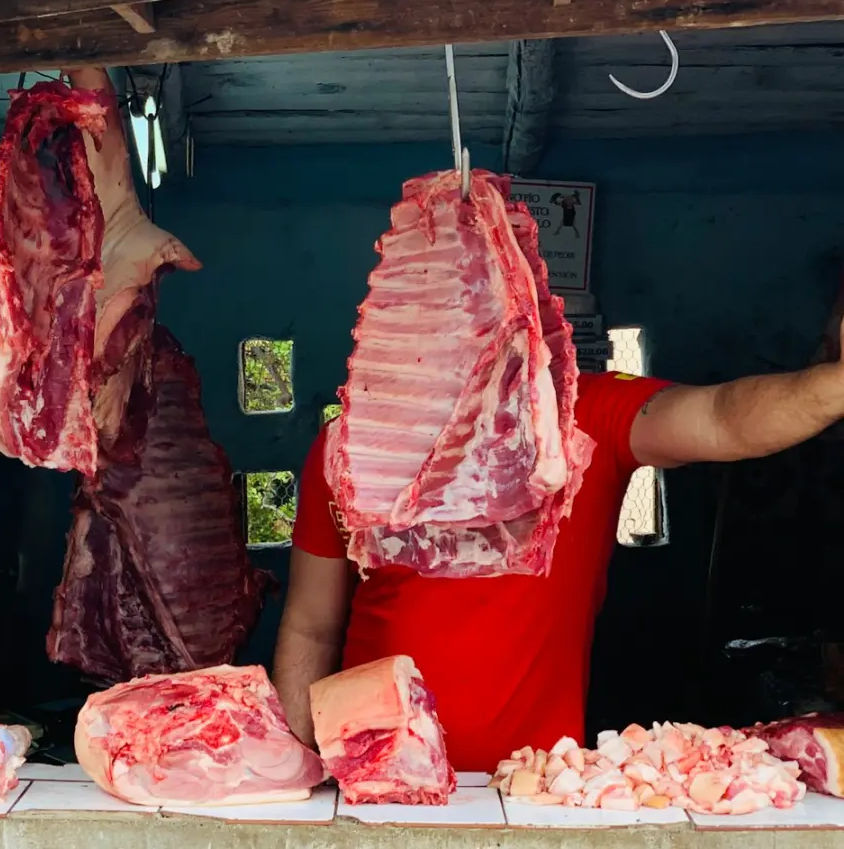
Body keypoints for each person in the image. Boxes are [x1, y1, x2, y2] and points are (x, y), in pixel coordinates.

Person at [273, 330, 844, 772]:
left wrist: (836, 383)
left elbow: (723, 420)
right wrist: (299, 775)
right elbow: (311, 626)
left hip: (530, 787)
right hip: (374, 776)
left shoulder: (584, 415)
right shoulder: (352, 444)